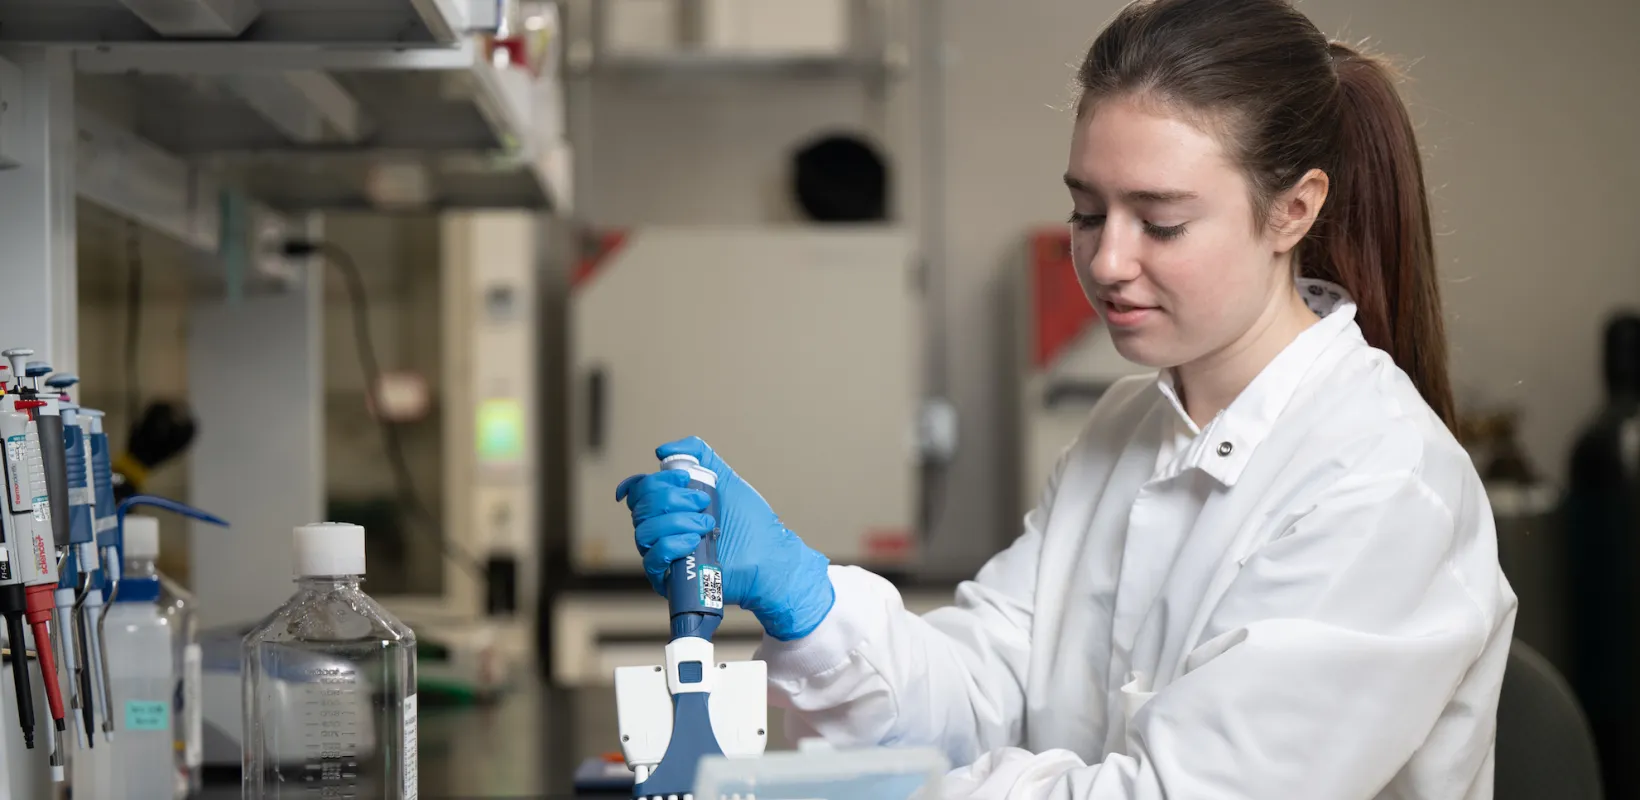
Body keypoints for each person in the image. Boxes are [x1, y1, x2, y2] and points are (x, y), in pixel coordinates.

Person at [616, 0, 1518, 796]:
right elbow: (983, 688)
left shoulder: (1383, 486)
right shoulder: (1124, 426)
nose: (1108, 261)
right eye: (1087, 212)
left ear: (1294, 210)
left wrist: (902, 793)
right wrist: (808, 600)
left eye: (1160, 221)